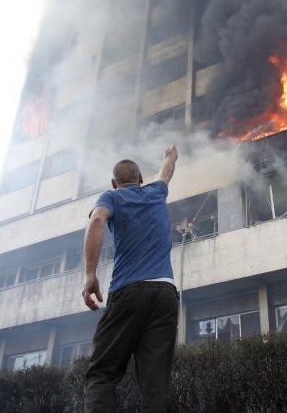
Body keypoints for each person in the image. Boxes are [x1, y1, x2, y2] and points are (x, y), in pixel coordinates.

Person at [82, 146, 179, 413]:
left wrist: (91, 274)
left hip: (128, 292)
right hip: (165, 294)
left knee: (102, 373)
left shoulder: (111, 197)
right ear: (140, 179)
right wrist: (171, 156)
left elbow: (97, 221)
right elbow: (166, 173)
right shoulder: (156, 191)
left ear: (115, 183)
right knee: (155, 383)